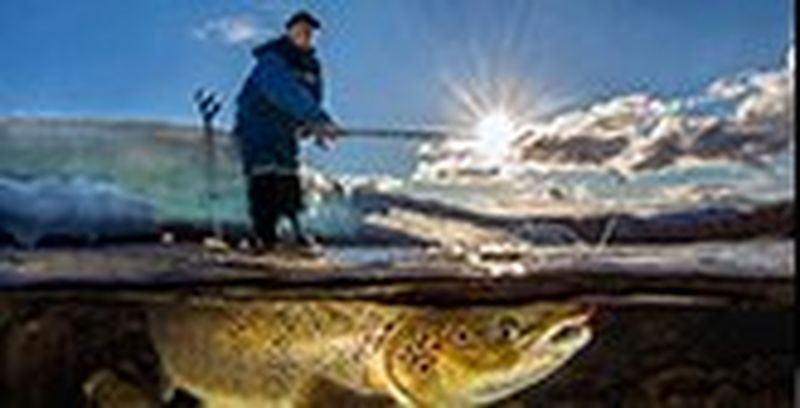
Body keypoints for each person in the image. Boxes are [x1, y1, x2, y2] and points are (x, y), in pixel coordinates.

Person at [232, 10, 338, 249]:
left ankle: (294, 230)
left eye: (309, 31)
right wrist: (318, 119)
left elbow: (312, 97)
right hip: (258, 126)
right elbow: (285, 92)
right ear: (289, 31)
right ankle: (264, 235)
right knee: (264, 175)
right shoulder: (273, 59)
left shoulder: (311, 66)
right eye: (300, 29)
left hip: (284, 132)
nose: (305, 34)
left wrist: (312, 126)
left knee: (288, 176)